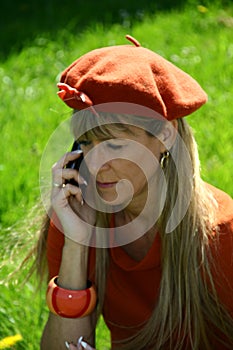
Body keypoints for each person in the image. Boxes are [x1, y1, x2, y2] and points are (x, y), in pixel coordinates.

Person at [37, 35, 233, 349]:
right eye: (86, 144)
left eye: (114, 144)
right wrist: (76, 241)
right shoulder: (77, 216)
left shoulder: (223, 234)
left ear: (165, 137)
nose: (96, 164)